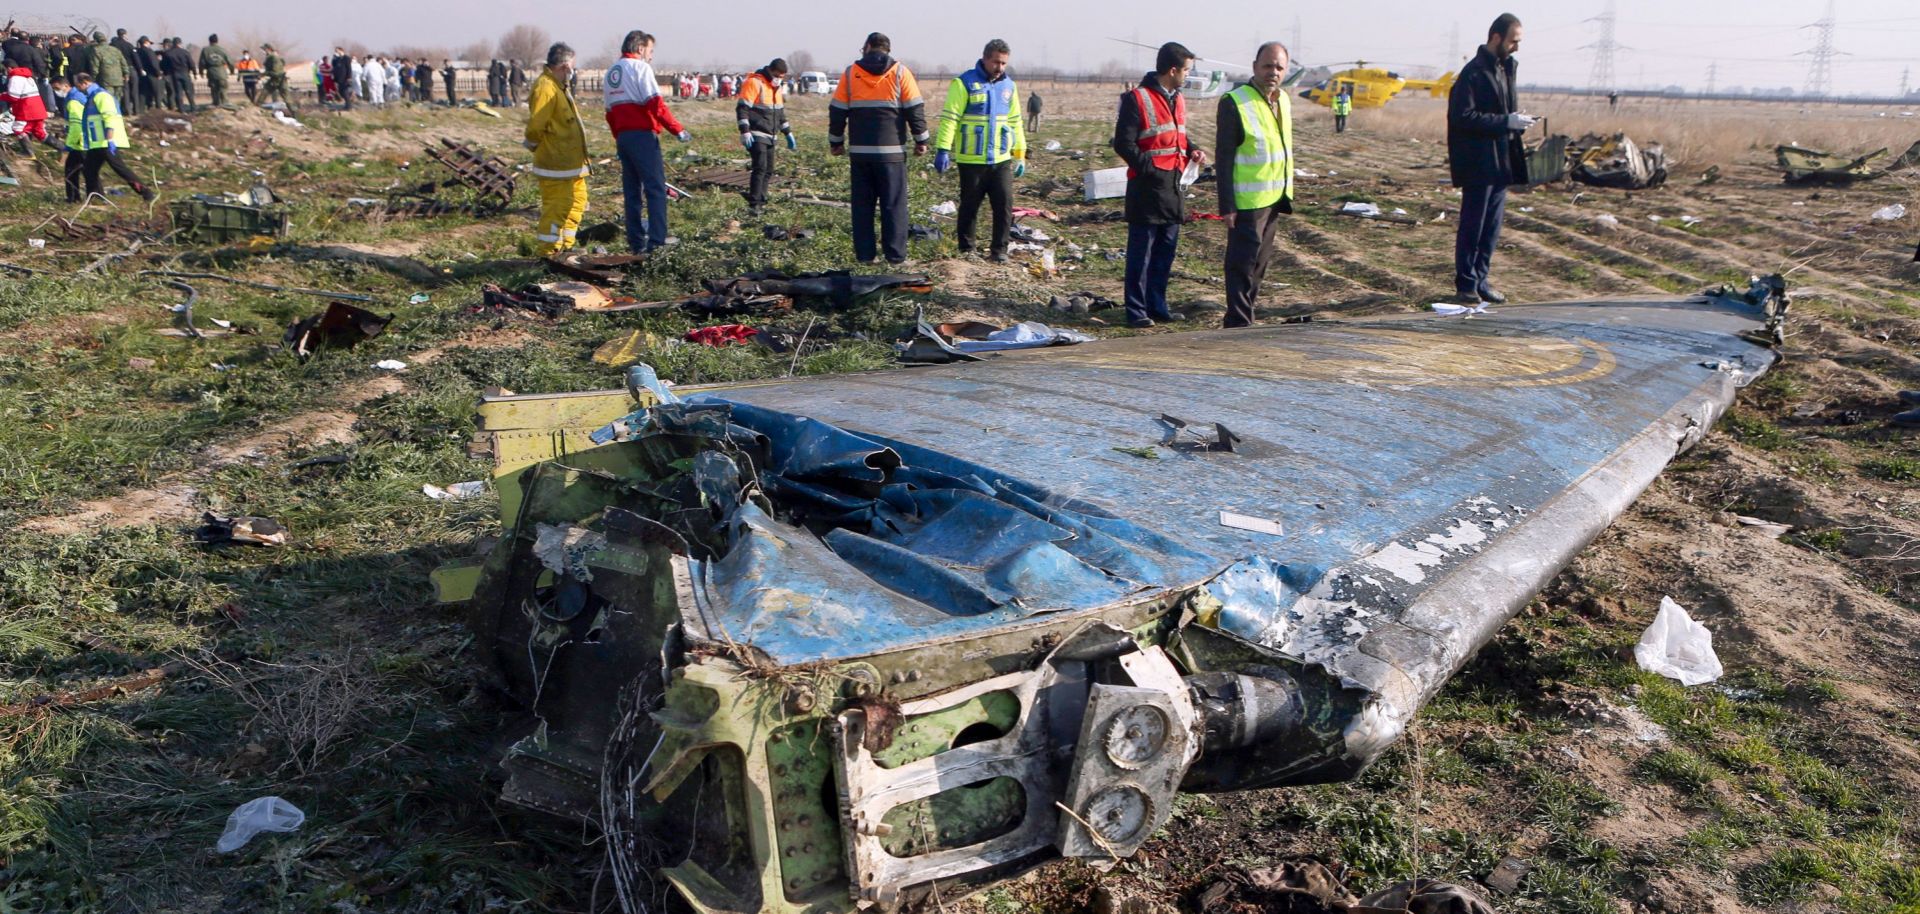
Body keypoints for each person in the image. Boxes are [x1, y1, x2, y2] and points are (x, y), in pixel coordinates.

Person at [1111, 42, 1207, 329]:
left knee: (1166, 250)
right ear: (1173, 70)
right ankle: (1136, 310)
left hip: (1174, 185)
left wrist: (1193, 149)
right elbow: (1123, 143)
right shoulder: (1136, 98)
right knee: (1142, 253)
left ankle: (1158, 305)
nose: (1188, 76)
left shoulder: (1178, 98)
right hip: (1147, 187)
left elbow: (1177, 135)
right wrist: (1149, 170)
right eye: (1187, 70)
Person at [1447, 13, 1533, 307]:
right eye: (1513, 41)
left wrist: (1516, 122)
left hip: (1501, 162)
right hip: (1478, 163)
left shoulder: (1507, 69)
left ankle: (1481, 280)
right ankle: (1466, 284)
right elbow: (1462, 117)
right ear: (1496, 37)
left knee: (1491, 228)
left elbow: (1502, 112)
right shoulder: (1473, 73)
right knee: (1473, 225)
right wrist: (1505, 121)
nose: (1516, 47)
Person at [830, 32, 929, 265]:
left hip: (860, 154)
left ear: (867, 47)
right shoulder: (901, 73)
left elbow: (837, 110)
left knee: (862, 207)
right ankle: (895, 257)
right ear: (888, 49)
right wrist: (921, 140)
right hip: (891, 153)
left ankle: (865, 257)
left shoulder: (850, 74)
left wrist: (836, 142)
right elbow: (915, 109)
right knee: (893, 205)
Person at [1216, 42, 1296, 329]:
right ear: (1254, 67)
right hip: (1247, 202)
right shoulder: (1234, 102)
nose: (1272, 72)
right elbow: (1223, 158)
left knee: (1259, 266)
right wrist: (1226, 205)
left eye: (1279, 67)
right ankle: (1237, 323)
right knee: (1241, 264)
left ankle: (1246, 316)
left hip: (1274, 196)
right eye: (1267, 65)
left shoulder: (1283, 100)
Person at [933, 39, 1026, 262]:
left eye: (1004, 63)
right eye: (996, 62)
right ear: (985, 58)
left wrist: (1020, 154)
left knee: (1004, 206)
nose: (1000, 67)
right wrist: (943, 149)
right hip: (971, 159)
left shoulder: (1009, 87)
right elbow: (950, 118)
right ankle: (967, 250)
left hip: (1000, 159)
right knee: (969, 207)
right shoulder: (963, 83)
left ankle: (999, 251)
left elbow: (1015, 121)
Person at [606, 30, 690, 253]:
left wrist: (619, 138)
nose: (651, 56)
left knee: (632, 190)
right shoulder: (640, 68)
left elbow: (609, 113)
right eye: (650, 51)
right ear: (641, 48)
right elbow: (655, 104)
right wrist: (677, 129)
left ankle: (635, 242)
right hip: (642, 135)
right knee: (655, 189)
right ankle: (656, 243)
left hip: (624, 137)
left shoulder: (611, 72)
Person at [525, 42, 590, 255]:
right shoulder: (546, 87)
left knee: (577, 202)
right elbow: (537, 124)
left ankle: (566, 247)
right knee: (557, 207)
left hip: (571, 163)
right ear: (564, 66)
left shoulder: (558, 86)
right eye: (572, 66)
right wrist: (534, 145)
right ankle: (548, 253)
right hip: (556, 163)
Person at [73, 72, 154, 201]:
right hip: (97, 142)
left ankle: (146, 192)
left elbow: (109, 117)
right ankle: (96, 197)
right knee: (89, 170)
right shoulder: (92, 96)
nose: (77, 89)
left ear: (84, 83)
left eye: (78, 85)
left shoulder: (101, 96)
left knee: (119, 168)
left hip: (106, 141)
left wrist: (110, 139)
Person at [736, 57, 794, 217]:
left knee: (769, 169)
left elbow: (779, 113)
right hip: (756, 133)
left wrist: (788, 132)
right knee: (760, 168)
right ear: (771, 71)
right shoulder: (755, 83)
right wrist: (745, 130)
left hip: (771, 134)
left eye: (783, 77)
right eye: (779, 76)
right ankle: (755, 205)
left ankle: (761, 199)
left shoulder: (776, 88)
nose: (780, 79)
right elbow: (742, 108)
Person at [52, 75, 87, 201]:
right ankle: (79, 197)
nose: (56, 92)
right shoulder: (75, 97)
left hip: (79, 141)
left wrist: (68, 146)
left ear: (65, 85)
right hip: (83, 141)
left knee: (71, 172)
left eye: (57, 88)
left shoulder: (73, 101)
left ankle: (73, 197)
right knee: (87, 172)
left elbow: (76, 125)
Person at [5, 63, 48, 144]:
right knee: (40, 132)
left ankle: (29, 153)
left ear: (9, 68)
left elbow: (13, 97)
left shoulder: (15, 78)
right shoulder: (28, 77)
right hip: (38, 108)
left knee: (18, 129)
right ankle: (63, 149)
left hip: (27, 109)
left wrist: (2, 96)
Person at [89, 32, 129, 119]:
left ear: (96, 40)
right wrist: (126, 73)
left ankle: (111, 117)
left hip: (106, 78)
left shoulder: (96, 50)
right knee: (117, 99)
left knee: (108, 99)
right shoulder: (115, 49)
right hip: (118, 78)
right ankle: (118, 115)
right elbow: (123, 63)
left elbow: (95, 67)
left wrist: (93, 79)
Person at [111, 29, 139, 114]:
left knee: (125, 91)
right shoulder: (129, 45)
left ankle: (127, 110)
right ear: (124, 35)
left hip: (119, 70)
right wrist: (140, 69)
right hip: (130, 68)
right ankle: (136, 110)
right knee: (134, 90)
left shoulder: (112, 45)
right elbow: (136, 58)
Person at [201, 34, 234, 107]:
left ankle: (216, 103)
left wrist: (201, 72)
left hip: (211, 72)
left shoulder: (205, 50)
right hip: (221, 72)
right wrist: (232, 71)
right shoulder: (222, 50)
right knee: (223, 88)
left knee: (214, 89)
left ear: (209, 41)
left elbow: (202, 63)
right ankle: (225, 102)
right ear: (217, 41)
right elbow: (230, 62)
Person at [164, 38, 196, 111]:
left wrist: (166, 73)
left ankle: (181, 109)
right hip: (185, 73)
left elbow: (164, 65)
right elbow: (191, 63)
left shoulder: (168, 53)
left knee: (178, 92)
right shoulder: (185, 52)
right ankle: (193, 108)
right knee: (189, 91)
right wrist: (194, 73)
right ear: (180, 44)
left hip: (174, 74)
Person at [136, 36, 162, 112]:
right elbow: (153, 63)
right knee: (156, 92)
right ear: (146, 43)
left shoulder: (137, 51)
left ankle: (141, 110)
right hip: (152, 74)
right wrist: (158, 73)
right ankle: (158, 109)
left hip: (141, 75)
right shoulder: (149, 51)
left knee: (142, 93)